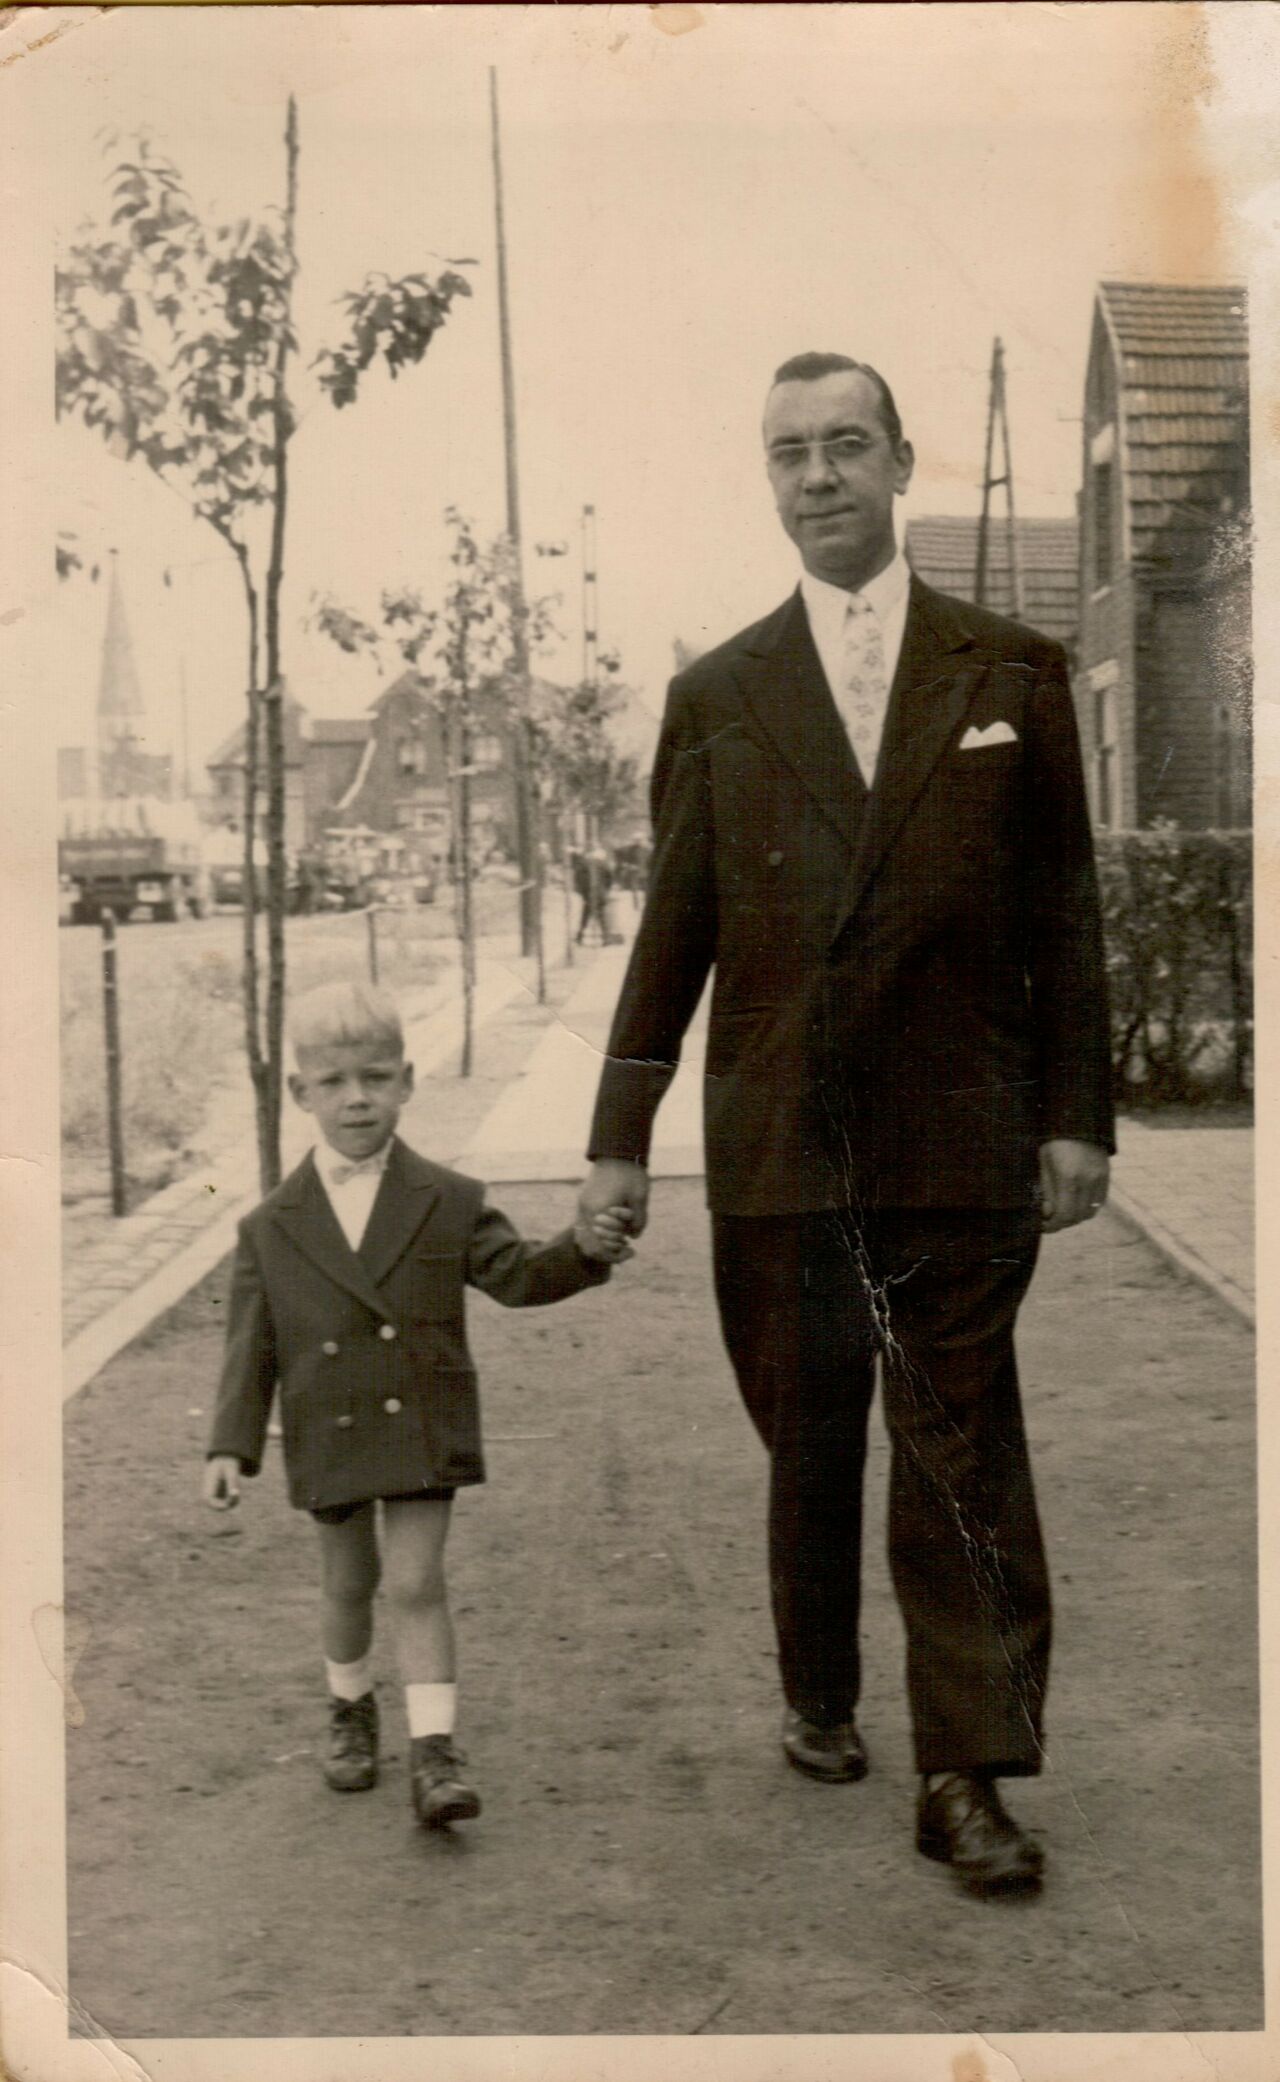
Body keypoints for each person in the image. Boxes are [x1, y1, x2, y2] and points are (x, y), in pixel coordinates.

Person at [578, 352, 1113, 1897]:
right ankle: (820, 1685)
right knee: (809, 1437)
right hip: (780, 1146)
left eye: (847, 447)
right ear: (771, 479)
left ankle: (970, 1769)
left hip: (959, 1137)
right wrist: (622, 1133)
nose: (818, 476)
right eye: (789, 454)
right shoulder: (719, 693)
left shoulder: (1010, 671)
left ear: (901, 463)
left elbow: (1065, 918)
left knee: (958, 1445)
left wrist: (1080, 1116)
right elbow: (671, 931)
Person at [204, 980, 631, 1831]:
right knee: (348, 1580)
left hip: (420, 1419)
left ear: (406, 1080)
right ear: (301, 1094)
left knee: (416, 1579)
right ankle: (351, 1710)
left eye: (373, 1077)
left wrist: (582, 1250)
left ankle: (435, 1751)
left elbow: (515, 1275)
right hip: (329, 1425)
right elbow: (249, 1348)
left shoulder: (448, 1197)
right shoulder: (269, 1225)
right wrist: (229, 1445)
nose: (356, 1098)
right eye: (333, 1082)